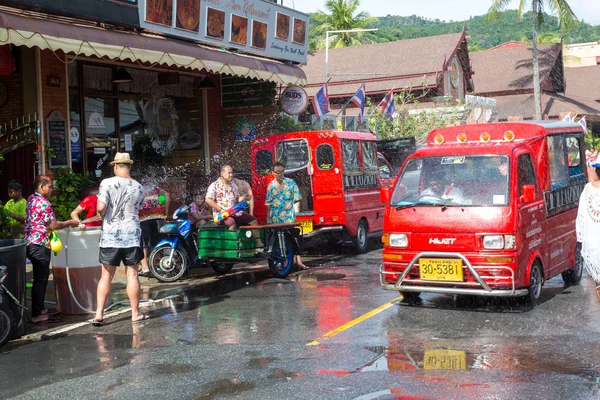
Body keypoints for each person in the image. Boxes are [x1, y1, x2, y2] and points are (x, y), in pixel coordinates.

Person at [93, 152, 148, 326]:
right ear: (129, 166)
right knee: (132, 275)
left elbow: (101, 208)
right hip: (131, 235)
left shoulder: (107, 183)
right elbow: (138, 208)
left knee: (106, 276)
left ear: (116, 166)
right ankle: (135, 314)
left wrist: (101, 213)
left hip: (111, 237)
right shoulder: (139, 187)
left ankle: (99, 315)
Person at [24, 175, 79, 323]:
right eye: (49, 186)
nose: (51, 189)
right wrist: (70, 222)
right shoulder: (44, 203)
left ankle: (40, 309)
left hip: (30, 242)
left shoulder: (30, 199)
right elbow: (53, 225)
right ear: (42, 187)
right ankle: (36, 314)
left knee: (38, 279)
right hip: (40, 244)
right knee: (40, 280)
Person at [205, 165, 264, 249]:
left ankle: (259, 244)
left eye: (232, 173)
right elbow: (208, 200)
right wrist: (221, 210)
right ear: (222, 174)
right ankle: (233, 247)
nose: (231, 175)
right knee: (231, 221)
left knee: (252, 219)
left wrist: (243, 198)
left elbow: (236, 200)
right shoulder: (214, 185)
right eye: (229, 173)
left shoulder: (233, 185)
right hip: (221, 216)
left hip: (234, 212)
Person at [265, 162, 308, 270]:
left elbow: (298, 198)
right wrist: (268, 218)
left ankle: (299, 262)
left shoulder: (290, 183)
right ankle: (279, 259)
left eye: (281, 172)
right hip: (275, 218)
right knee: (274, 240)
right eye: (277, 172)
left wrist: (296, 212)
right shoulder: (271, 186)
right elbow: (268, 204)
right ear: (273, 173)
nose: (279, 174)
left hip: (288, 217)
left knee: (294, 237)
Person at [577, 161, 600, 302]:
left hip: (594, 242)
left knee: (598, 281)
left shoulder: (588, 189)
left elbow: (581, 215)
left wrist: (581, 235)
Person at [138, 181, 170, 277]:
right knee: (158, 241)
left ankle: (145, 269)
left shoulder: (138, 188)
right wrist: (166, 212)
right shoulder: (155, 187)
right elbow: (167, 195)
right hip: (159, 216)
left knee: (143, 243)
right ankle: (159, 266)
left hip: (144, 217)